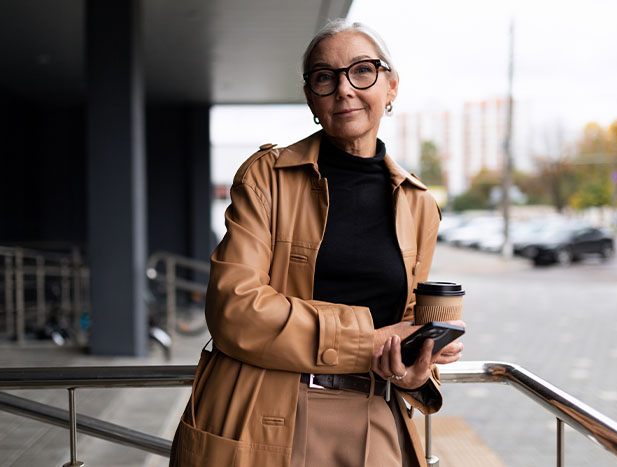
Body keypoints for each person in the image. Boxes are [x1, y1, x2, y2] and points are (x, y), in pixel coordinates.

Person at [170, 19, 465, 467]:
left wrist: (414, 366)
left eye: (362, 71)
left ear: (391, 87)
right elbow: (234, 308)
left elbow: (404, 319)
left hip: (376, 416)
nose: (344, 89)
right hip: (265, 416)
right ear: (311, 97)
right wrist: (368, 342)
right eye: (324, 77)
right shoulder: (267, 178)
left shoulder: (418, 202)